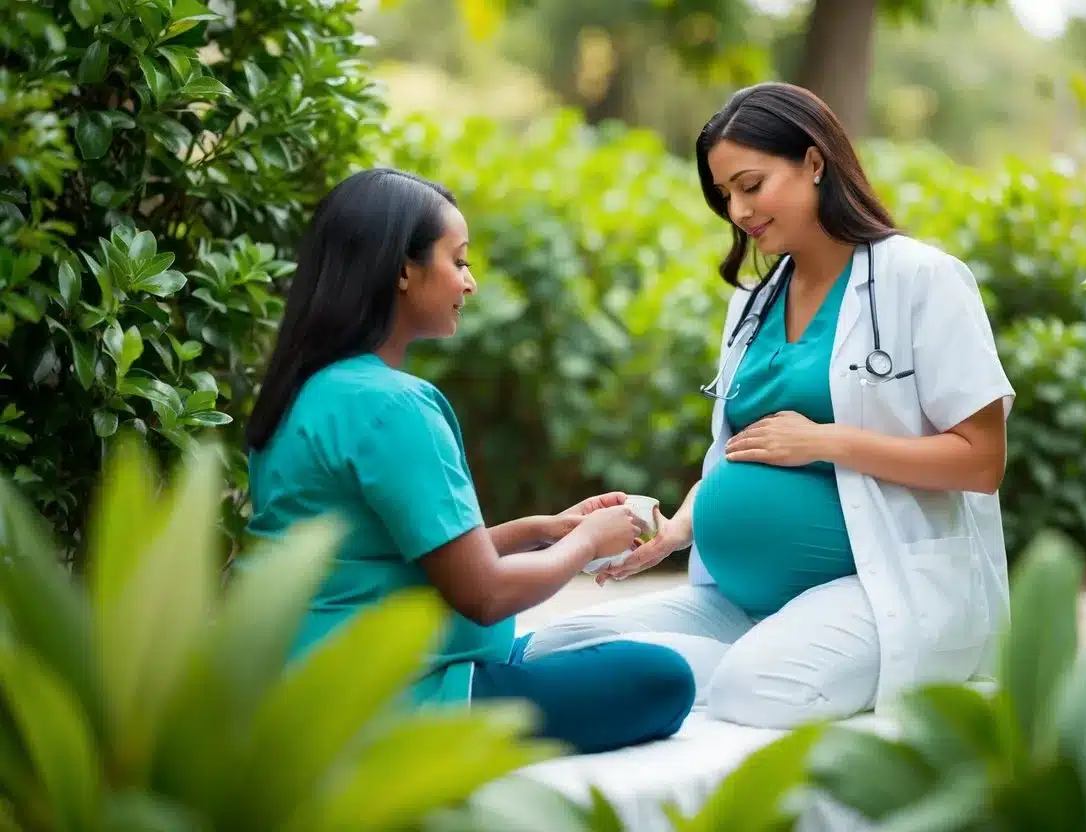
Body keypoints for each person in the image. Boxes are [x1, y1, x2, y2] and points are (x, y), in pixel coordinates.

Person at [524, 82, 1016, 728]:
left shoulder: (920, 280)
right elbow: (742, 448)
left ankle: (709, 673)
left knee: (754, 689)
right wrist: (677, 528)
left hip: (875, 585)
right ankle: (710, 665)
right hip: (739, 598)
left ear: (814, 163)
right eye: (724, 194)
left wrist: (825, 441)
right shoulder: (751, 303)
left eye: (750, 185)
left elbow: (980, 461)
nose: (737, 211)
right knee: (555, 646)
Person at [241, 168, 695, 753]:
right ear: (403, 269)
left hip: (299, 679)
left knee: (574, 651)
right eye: (458, 261)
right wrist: (586, 543)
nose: (470, 283)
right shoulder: (392, 406)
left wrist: (542, 531)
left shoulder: (305, 391)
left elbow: (394, 555)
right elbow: (483, 593)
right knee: (661, 677)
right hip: (394, 701)